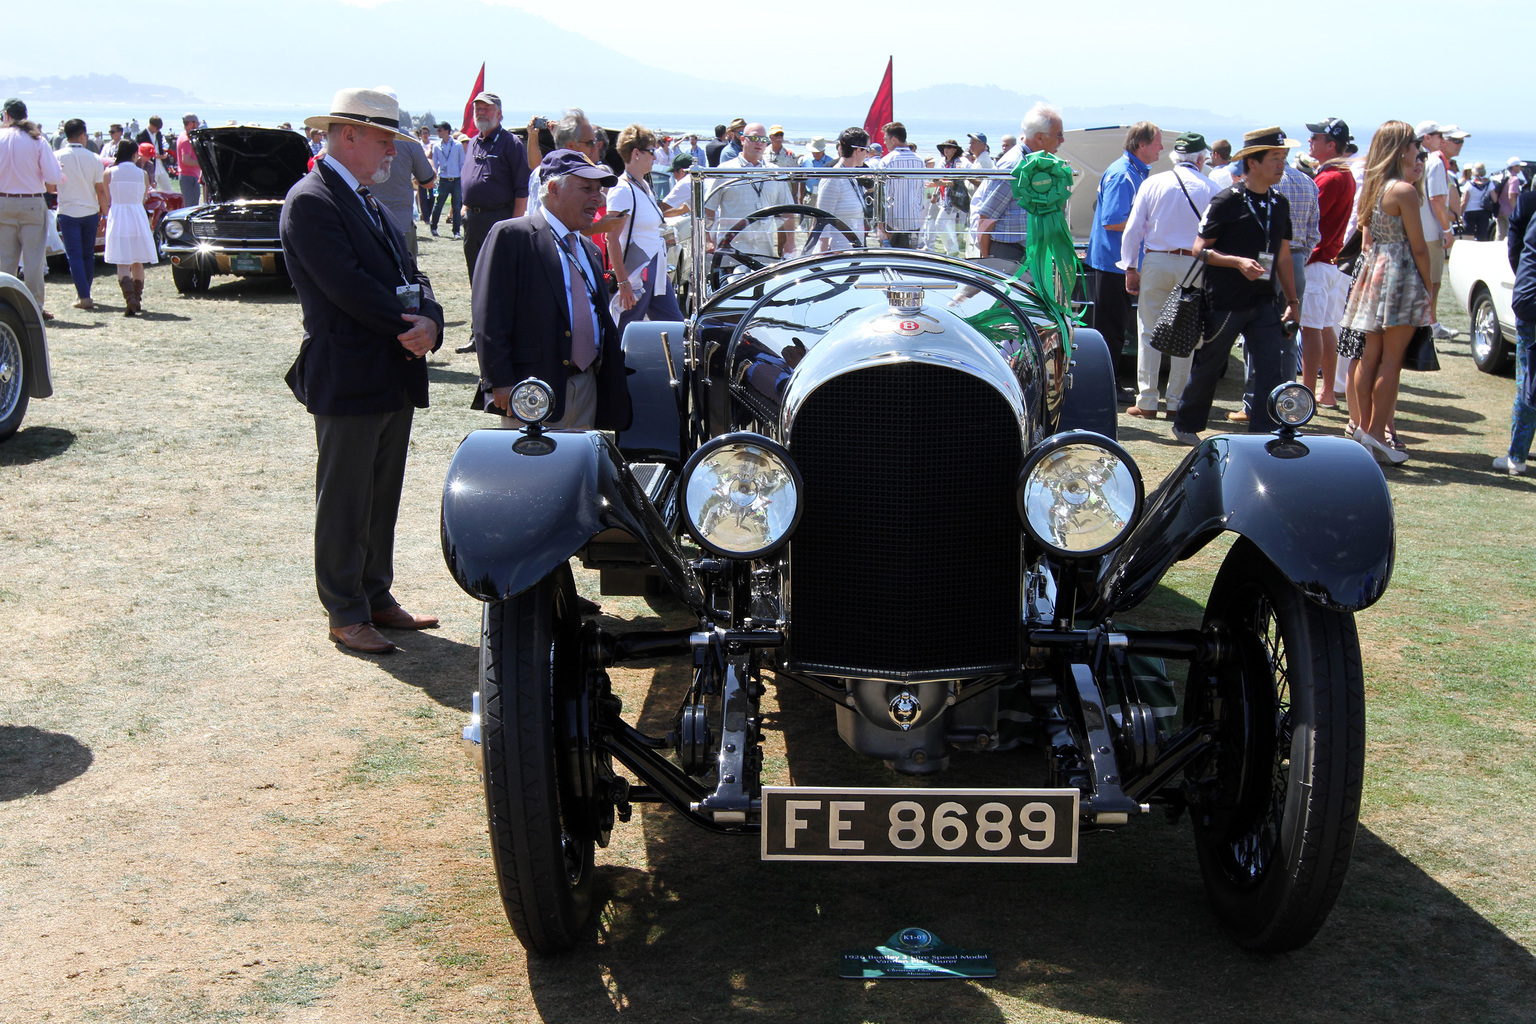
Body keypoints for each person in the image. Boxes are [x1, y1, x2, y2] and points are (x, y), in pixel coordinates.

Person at [280, 87, 445, 654]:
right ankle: (346, 610)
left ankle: (375, 595)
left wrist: (432, 320)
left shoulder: (366, 199)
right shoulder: (312, 200)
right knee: (347, 497)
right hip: (351, 372)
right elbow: (347, 286)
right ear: (346, 135)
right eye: (382, 140)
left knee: (380, 494)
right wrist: (413, 326)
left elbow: (411, 272)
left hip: (390, 369)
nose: (391, 152)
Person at [471, 149, 633, 432]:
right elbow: (490, 315)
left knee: (577, 473)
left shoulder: (591, 251)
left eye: (600, 190)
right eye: (587, 188)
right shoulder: (513, 236)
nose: (599, 198)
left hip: (586, 388)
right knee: (531, 473)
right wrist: (500, 380)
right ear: (554, 189)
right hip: (531, 392)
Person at [1172, 127, 1301, 444]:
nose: (1281, 164)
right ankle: (1186, 425)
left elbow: (1283, 256)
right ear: (1252, 163)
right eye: (1275, 158)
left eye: (1284, 158)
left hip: (1265, 302)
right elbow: (1199, 249)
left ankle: (1264, 434)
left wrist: (1293, 301)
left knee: (1270, 370)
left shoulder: (1279, 204)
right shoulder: (1227, 200)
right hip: (1226, 302)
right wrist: (1237, 262)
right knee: (1210, 366)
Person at [1337, 121, 1432, 466]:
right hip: (1399, 273)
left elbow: (1367, 240)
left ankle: (1362, 427)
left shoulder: (1373, 187)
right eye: (1412, 143)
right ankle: (1377, 433)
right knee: (1390, 361)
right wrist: (1428, 290)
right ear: (1400, 148)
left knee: (1368, 357)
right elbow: (1419, 248)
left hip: (1373, 272)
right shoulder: (1403, 190)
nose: (1417, 149)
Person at [1119, 131, 1219, 418]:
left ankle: (1148, 400)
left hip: (1157, 260)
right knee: (1187, 332)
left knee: (1148, 331)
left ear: (1176, 157)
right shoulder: (1211, 187)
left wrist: (1130, 266)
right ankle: (1176, 401)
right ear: (1201, 159)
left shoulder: (1153, 183)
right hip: (1194, 263)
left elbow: (1133, 229)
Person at [1089, 122, 1162, 372]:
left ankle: (1112, 381)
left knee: (1116, 328)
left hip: (1118, 262)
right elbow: (1112, 221)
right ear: (1142, 145)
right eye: (1157, 143)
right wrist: (1152, 224)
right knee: (1112, 330)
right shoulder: (1123, 174)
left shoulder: (1134, 171)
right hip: (1113, 262)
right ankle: (1110, 383)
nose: (1161, 147)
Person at [1300, 118, 1357, 409]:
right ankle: (1326, 391)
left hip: (1318, 260)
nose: (1310, 141)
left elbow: (1311, 220)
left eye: (1316, 138)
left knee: (1312, 328)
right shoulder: (1342, 175)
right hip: (1331, 261)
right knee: (1324, 327)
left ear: (1331, 144)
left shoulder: (1330, 178)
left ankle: (1308, 391)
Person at [606, 124, 684, 333]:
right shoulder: (623, 189)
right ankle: (616, 366)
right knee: (626, 330)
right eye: (651, 151)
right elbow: (611, 238)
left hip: (653, 269)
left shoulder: (643, 186)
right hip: (636, 272)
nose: (656, 157)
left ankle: (672, 364)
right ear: (636, 153)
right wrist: (623, 283)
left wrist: (662, 271)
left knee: (676, 327)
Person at [971, 103, 1065, 263]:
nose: (1062, 140)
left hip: (1028, 250)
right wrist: (987, 261)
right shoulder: (1014, 166)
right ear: (1040, 138)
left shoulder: (1036, 161)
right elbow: (986, 216)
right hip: (1008, 252)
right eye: (1058, 135)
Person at [0, 98, 63, 319]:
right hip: (31, 202)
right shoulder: (36, 139)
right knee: (33, 260)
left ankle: (4, 305)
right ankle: (35, 306)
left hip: (4, 202)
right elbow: (54, 177)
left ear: (6, 115)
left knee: (5, 260)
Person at [702, 122, 795, 273]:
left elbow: (788, 212)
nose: (759, 143)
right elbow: (709, 208)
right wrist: (708, 240)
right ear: (743, 139)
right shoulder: (726, 170)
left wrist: (790, 243)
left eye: (763, 140)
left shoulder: (775, 172)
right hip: (731, 254)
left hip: (765, 254)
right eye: (753, 138)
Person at [460, 91, 529, 279]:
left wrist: (513, 226)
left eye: (486, 109)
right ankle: (478, 309)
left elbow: (522, 190)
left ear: (499, 114)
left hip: (498, 219)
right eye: (478, 108)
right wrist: (465, 207)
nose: (481, 112)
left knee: (497, 277)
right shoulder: (473, 142)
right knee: (475, 275)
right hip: (473, 221)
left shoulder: (511, 144)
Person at [364, 89, 435, 259]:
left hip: (366, 222)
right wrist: (431, 164)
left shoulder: (361, 138)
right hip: (400, 223)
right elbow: (428, 182)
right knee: (406, 280)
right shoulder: (409, 141)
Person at [1496, 197, 1536, 474]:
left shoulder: (1529, 200)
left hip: (1530, 301)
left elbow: (1516, 249)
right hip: (1531, 301)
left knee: (1529, 379)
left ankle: (1517, 455)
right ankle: (1517, 455)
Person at [54, 119, 108, 311]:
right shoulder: (94, 158)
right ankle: (85, 292)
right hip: (90, 211)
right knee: (88, 255)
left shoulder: (57, 156)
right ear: (83, 135)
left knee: (74, 256)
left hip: (68, 211)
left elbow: (51, 186)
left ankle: (83, 294)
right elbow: (100, 190)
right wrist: (105, 214)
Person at [103, 142, 157, 316]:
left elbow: (108, 198)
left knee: (123, 261)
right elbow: (143, 198)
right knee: (137, 260)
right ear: (135, 154)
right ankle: (137, 298)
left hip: (119, 215)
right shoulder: (142, 174)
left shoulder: (109, 173)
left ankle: (130, 299)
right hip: (137, 216)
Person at [1414, 122, 1454, 339]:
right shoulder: (1435, 161)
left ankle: (1427, 324)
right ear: (1426, 138)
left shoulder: (1417, 160)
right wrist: (1447, 230)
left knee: (1424, 282)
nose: (1443, 139)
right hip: (1430, 232)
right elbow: (1437, 199)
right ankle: (1431, 324)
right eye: (1438, 135)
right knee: (1433, 282)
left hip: (1418, 229)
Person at [812, 127, 872, 252]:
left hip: (852, 252)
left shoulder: (850, 176)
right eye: (867, 149)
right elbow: (822, 222)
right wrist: (822, 259)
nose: (868, 154)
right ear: (858, 151)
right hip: (837, 255)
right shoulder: (833, 179)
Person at [878, 122, 926, 249]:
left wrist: (880, 224)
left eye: (885, 139)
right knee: (910, 261)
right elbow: (921, 192)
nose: (884, 143)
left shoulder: (887, 161)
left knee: (892, 259)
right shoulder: (919, 160)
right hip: (913, 219)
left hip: (893, 222)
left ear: (894, 140)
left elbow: (882, 195)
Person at [932, 139, 968, 256]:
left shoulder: (958, 163)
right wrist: (936, 191)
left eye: (949, 148)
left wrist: (941, 183)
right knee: (949, 225)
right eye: (945, 148)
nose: (946, 150)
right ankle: (953, 250)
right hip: (944, 197)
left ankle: (951, 249)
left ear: (955, 150)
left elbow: (957, 181)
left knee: (939, 223)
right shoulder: (943, 162)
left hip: (952, 199)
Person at [428, 122, 464, 239]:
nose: (438, 132)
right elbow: (434, 162)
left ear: (447, 131)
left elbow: (462, 163)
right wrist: (434, 177)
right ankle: (433, 227)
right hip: (443, 179)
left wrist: (462, 179)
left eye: (440, 130)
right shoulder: (437, 146)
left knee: (457, 206)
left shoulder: (458, 145)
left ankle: (456, 231)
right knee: (438, 205)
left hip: (456, 179)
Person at [135, 116, 172, 189]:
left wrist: (164, 152)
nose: (158, 130)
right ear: (151, 125)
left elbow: (161, 145)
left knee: (168, 189)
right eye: (157, 128)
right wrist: (156, 155)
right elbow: (141, 152)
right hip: (150, 167)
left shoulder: (158, 134)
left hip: (161, 166)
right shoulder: (141, 135)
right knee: (151, 190)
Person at [1462, 163, 1497, 241]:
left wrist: (1460, 212)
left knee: (1469, 234)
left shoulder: (1469, 184)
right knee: (1482, 235)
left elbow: (1464, 201)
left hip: (1469, 211)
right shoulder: (1489, 183)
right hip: (1483, 211)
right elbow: (1495, 199)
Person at [175, 113, 203, 207]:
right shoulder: (186, 139)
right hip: (189, 177)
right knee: (191, 206)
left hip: (189, 176)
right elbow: (186, 160)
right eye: (197, 124)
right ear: (191, 123)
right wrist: (202, 163)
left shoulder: (183, 135)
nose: (198, 126)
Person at [798, 136, 833, 203]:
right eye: (813, 151)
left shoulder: (831, 162)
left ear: (823, 150)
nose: (815, 153)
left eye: (817, 152)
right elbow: (802, 180)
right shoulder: (805, 160)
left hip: (825, 197)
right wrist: (800, 197)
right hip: (809, 196)